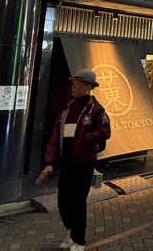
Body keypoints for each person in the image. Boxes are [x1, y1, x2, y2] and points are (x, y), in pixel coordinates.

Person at [37, 69, 111, 251]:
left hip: (84, 163)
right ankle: (71, 232)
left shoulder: (96, 110)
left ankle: (79, 241)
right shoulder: (67, 109)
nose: (74, 86)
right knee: (63, 201)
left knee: (78, 201)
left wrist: (87, 138)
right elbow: (56, 137)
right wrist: (49, 162)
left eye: (78, 83)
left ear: (88, 86)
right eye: (73, 83)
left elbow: (105, 131)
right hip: (66, 163)